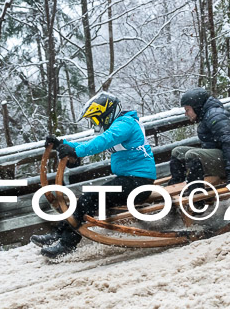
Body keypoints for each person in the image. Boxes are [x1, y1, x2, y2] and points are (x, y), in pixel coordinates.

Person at [31, 91, 156, 259]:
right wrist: (62, 144)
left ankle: (67, 243)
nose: (95, 124)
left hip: (139, 183)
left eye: (97, 119)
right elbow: (92, 142)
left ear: (107, 114)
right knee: (87, 198)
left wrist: (76, 151)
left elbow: (103, 141)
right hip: (130, 179)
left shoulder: (125, 123)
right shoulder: (120, 124)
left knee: (90, 198)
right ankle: (59, 233)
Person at [168, 87, 230, 186]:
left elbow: (229, 142)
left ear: (196, 107)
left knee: (193, 155)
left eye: (187, 110)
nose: (185, 114)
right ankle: (177, 184)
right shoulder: (207, 115)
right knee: (177, 152)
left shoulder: (215, 116)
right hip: (220, 157)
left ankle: (196, 192)